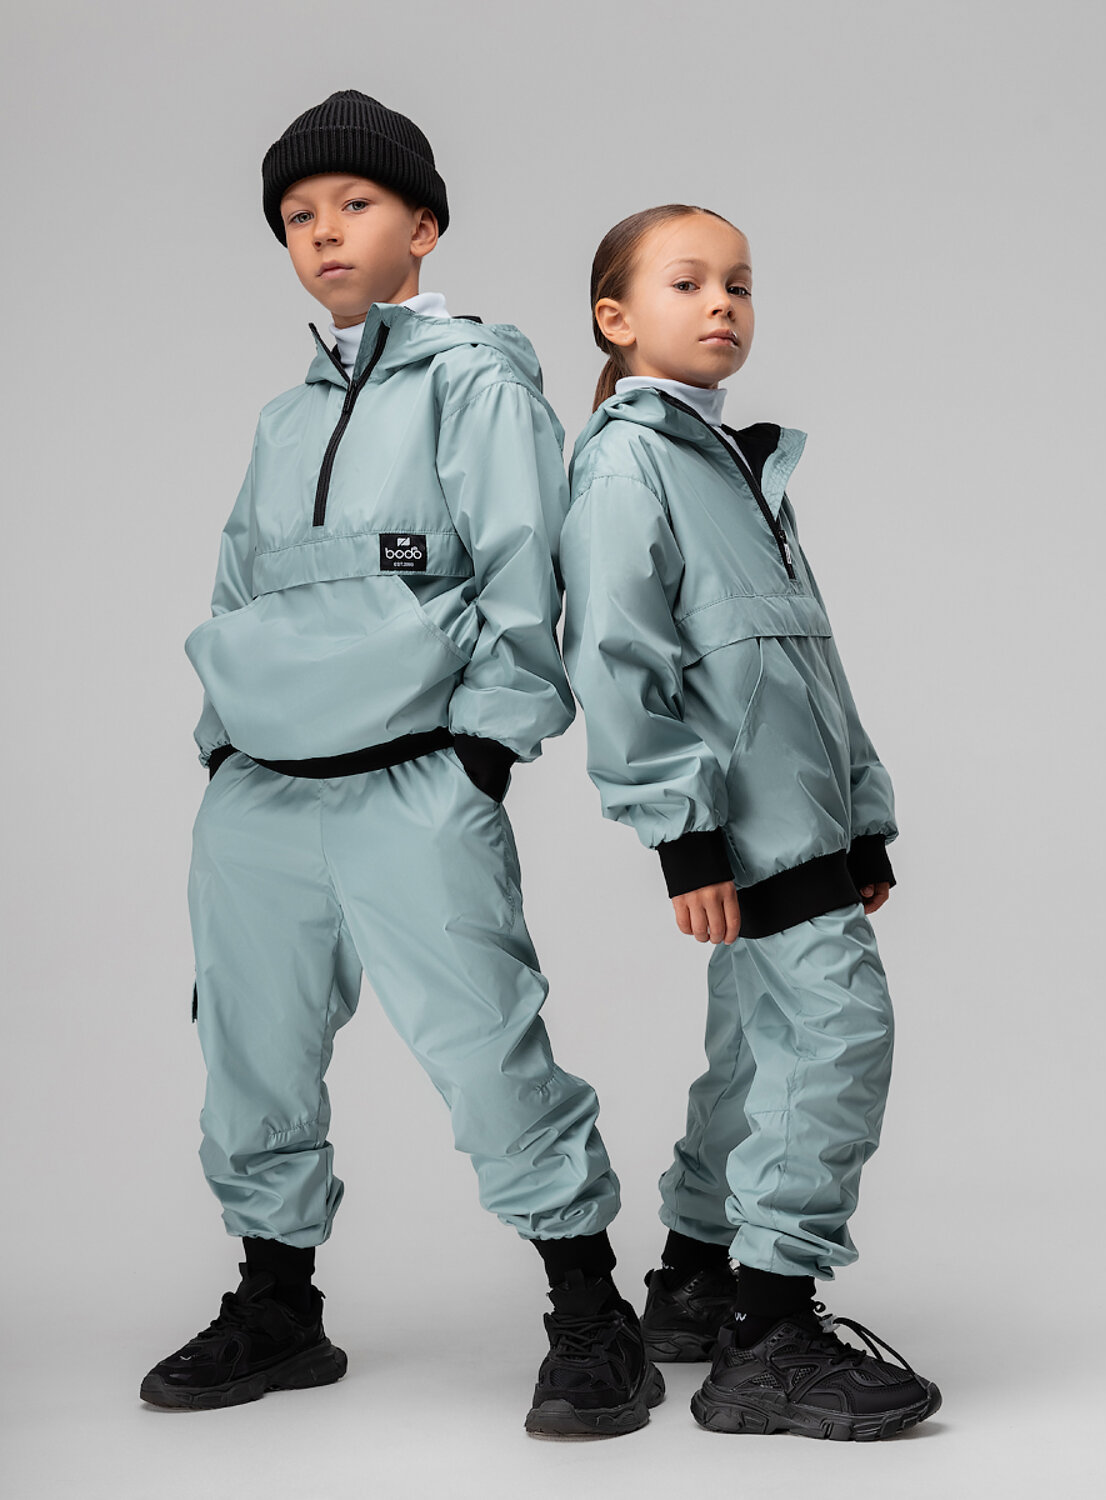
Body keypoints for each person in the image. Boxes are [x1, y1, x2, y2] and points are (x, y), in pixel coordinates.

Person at [140, 91, 663, 1439]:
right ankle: (278, 1302)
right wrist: (220, 745)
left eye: (355, 204)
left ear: (423, 225)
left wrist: (484, 746)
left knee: (486, 1043)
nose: (324, 232)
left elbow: (524, 568)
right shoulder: (282, 417)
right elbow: (237, 585)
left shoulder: (478, 383)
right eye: (298, 216)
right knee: (250, 1052)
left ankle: (590, 1311)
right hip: (262, 790)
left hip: (414, 776)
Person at [560, 203, 941, 1440]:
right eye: (687, 282)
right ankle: (769, 1334)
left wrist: (863, 817)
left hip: (801, 818)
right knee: (836, 1038)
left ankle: (694, 1275)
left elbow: (808, 661)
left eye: (740, 282)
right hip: (742, 826)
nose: (723, 301)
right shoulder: (628, 465)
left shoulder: (737, 465)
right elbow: (616, 658)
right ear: (617, 319)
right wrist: (684, 837)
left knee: (754, 1048)